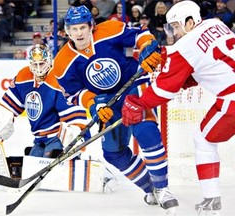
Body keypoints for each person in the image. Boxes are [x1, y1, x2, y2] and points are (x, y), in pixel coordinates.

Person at [52, 5, 179, 212]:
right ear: (66, 31)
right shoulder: (62, 62)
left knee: (145, 132)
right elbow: (74, 94)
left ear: (91, 26)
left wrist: (147, 48)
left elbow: (141, 35)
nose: (79, 33)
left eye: (83, 28)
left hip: (133, 87)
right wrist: (94, 105)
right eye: (73, 29)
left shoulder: (109, 30)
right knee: (114, 153)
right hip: (106, 103)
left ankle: (163, 188)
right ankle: (150, 188)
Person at [121, 1, 235, 214]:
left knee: (203, 140)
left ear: (190, 22)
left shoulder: (185, 46)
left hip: (232, 100)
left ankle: (212, 202)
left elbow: (165, 89)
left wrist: (140, 103)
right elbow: (211, 61)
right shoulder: (216, 23)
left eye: (175, 26)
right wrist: (177, 65)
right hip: (230, 95)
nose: (173, 32)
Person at [0, 44, 89, 158]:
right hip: (39, 139)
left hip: (57, 138)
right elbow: (8, 107)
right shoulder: (23, 77)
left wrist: (75, 139)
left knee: (49, 167)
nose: (38, 68)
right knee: (31, 166)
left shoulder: (58, 79)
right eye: (35, 64)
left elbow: (72, 111)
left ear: (49, 61)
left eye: (42, 63)